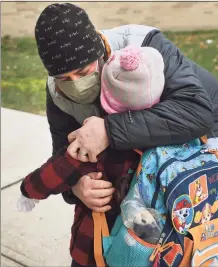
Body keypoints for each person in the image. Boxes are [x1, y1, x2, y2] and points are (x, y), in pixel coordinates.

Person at [35, 2, 218, 265]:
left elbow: (196, 112)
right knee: (134, 210)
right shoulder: (57, 94)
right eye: (64, 77)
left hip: (207, 118)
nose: (75, 84)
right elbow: (61, 155)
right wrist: (76, 186)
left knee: (183, 211)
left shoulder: (145, 44)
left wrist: (108, 129)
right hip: (141, 124)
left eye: (83, 72)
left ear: (101, 52)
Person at [18, 45, 165, 267]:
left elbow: (55, 171)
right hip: (150, 250)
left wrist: (28, 191)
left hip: (94, 246)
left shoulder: (95, 142)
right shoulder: (171, 145)